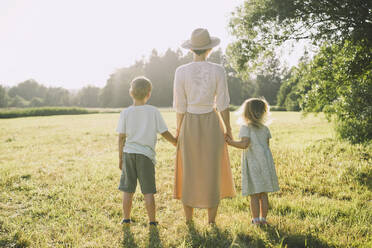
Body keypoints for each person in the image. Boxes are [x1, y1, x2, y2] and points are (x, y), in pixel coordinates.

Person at [173, 28, 236, 224]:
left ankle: (189, 219)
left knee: (189, 169)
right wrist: (228, 129)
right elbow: (223, 103)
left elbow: (180, 106)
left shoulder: (181, 71)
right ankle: (211, 221)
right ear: (209, 49)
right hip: (211, 121)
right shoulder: (218, 70)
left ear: (192, 49)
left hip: (189, 122)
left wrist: (179, 130)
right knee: (212, 169)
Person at [116, 76, 177, 226]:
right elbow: (164, 132)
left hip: (129, 154)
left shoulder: (125, 112)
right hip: (146, 157)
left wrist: (120, 159)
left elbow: (121, 138)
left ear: (131, 93)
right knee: (148, 191)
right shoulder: (153, 111)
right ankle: (152, 221)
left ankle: (126, 218)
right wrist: (176, 142)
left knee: (128, 190)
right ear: (149, 94)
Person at [226, 98, 279, 225]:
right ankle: (263, 219)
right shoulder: (265, 129)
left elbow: (244, 144)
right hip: (265, 163)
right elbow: (267, 146)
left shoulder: (246, 128)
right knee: (263, 193)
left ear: (246, 113)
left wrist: (230, 142)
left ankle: (255, 220)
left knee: (254, 194)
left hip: (253, 164)